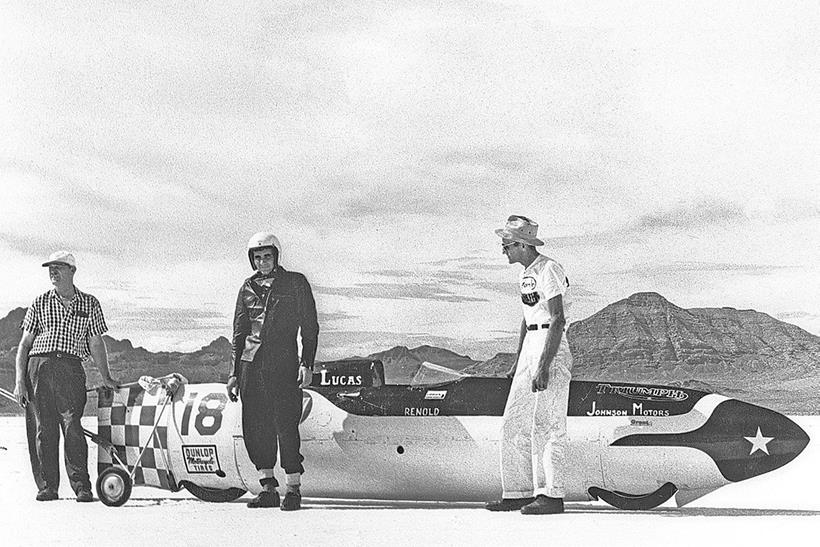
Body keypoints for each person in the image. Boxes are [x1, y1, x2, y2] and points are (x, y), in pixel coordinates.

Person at [13, 251, 118, 502]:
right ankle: (48, 487)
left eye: (58, 267)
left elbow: (95, 342)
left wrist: (106, 376)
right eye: (50, 268)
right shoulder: (39, 302)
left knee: (73, 426)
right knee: (44, 429)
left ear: (72, 270)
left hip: (70, 369)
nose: (53, 272)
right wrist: (19, 381)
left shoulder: (89, 303)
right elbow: (24, 345)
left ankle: (82, 486)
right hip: (38, 367)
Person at [486, 215, 573, 515]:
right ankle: (518, 492)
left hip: (551, 346)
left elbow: (557, 319)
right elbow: (528, 318)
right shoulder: (525, 274)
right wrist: (518, 359)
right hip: (531, 348)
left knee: (547, 423)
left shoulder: (549, 269)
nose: (503, 250)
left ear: (522, 245)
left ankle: (551, 495)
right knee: (514, 419)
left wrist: (545, 365)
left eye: (507, 245)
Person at [227, 232, 319, 510]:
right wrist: (233, 374)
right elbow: (239, 332)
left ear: (276, 256)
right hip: (250, 366)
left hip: (283, 364)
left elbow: (310, 327)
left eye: (267, 256)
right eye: (257, 257)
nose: (262, 261)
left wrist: (307, 363)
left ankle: (293, 488)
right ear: (251, 260)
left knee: (285, 425)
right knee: (255, 427)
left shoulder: (295, 283)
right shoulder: (247, 287)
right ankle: (267, 487)